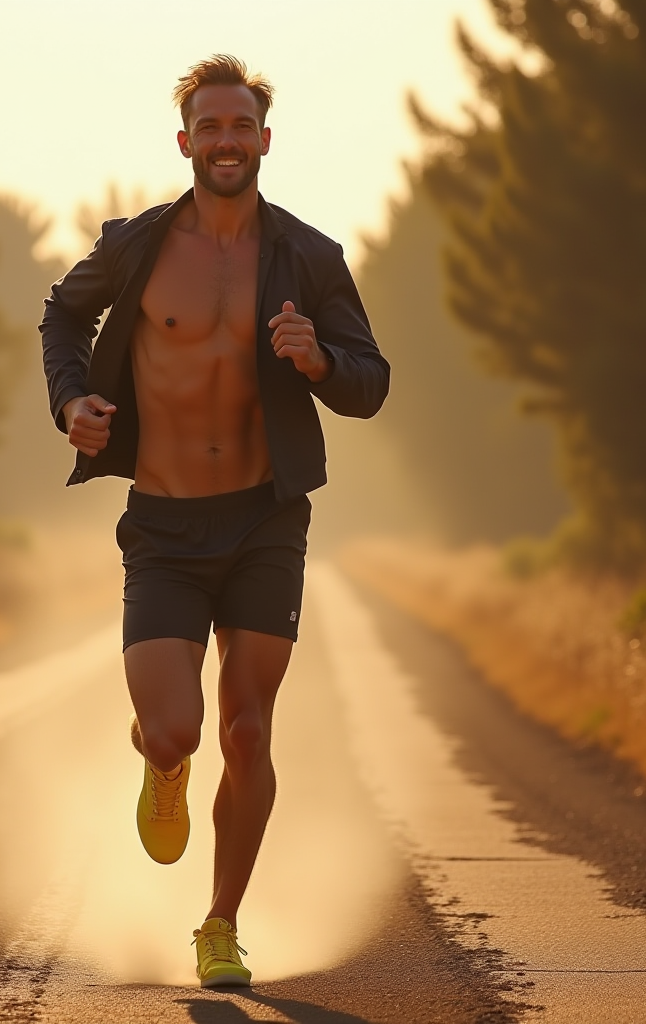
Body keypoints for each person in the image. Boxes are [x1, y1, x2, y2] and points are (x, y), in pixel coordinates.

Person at [39, 54, 389, 987]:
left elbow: (372, 383)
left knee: (247, 730)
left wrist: (319, 363)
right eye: (211, 127)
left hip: (266, 519)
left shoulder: (310, 258)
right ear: (185, 141)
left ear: (264, 141)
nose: (226, 142)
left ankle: (221, 923)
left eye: (242, 127)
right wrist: (69, 403)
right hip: (161, 524)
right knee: (175, 734)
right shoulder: (137, 247)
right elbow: (59, 321)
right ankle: (162, 769)